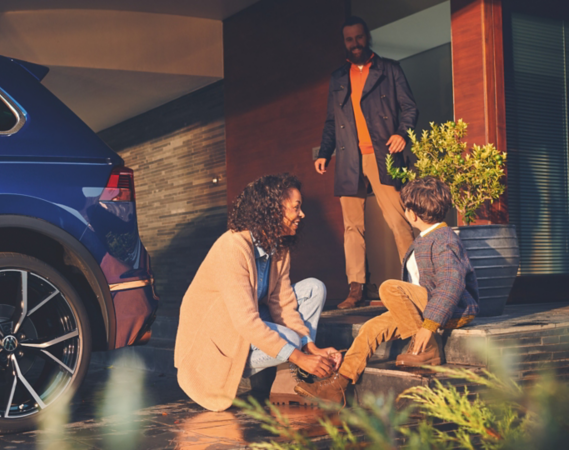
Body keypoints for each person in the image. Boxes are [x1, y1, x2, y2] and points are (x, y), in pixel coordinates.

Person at [294, 177, 480, 405]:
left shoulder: (443, 239)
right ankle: (339, 384)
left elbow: (451, 283)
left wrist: (428, 327)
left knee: (389, 287)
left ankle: (427, 349)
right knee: (371, 328)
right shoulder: (424, 239)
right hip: (424, 308)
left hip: (450, 309)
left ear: (412, 214)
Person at [174, 174, 342, 411]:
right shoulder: (232, 247)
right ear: (273, 211)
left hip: (247, 324)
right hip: (216, 338)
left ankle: (290, 374)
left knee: (314, 288)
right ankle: (297, 366)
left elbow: (282, 304)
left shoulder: (279, 247)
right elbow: (245, 321)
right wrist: (300, 356)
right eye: (296, 207)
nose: (302, 214)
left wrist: (309, 346)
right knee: (290, 340)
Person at [315, 16, 418, 309]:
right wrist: (325, 152)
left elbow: (410, 108)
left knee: (398, 219)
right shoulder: (338, 78)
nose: (355, 44)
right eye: (349, 39)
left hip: (382, 153)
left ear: (367, 37)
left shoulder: (389, 70)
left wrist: (401, 134)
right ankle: (356, 287)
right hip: (349, 156)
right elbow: (332, 121)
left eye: (359, 38)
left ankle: (413, 282)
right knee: (352, 226)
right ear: (344, 43)